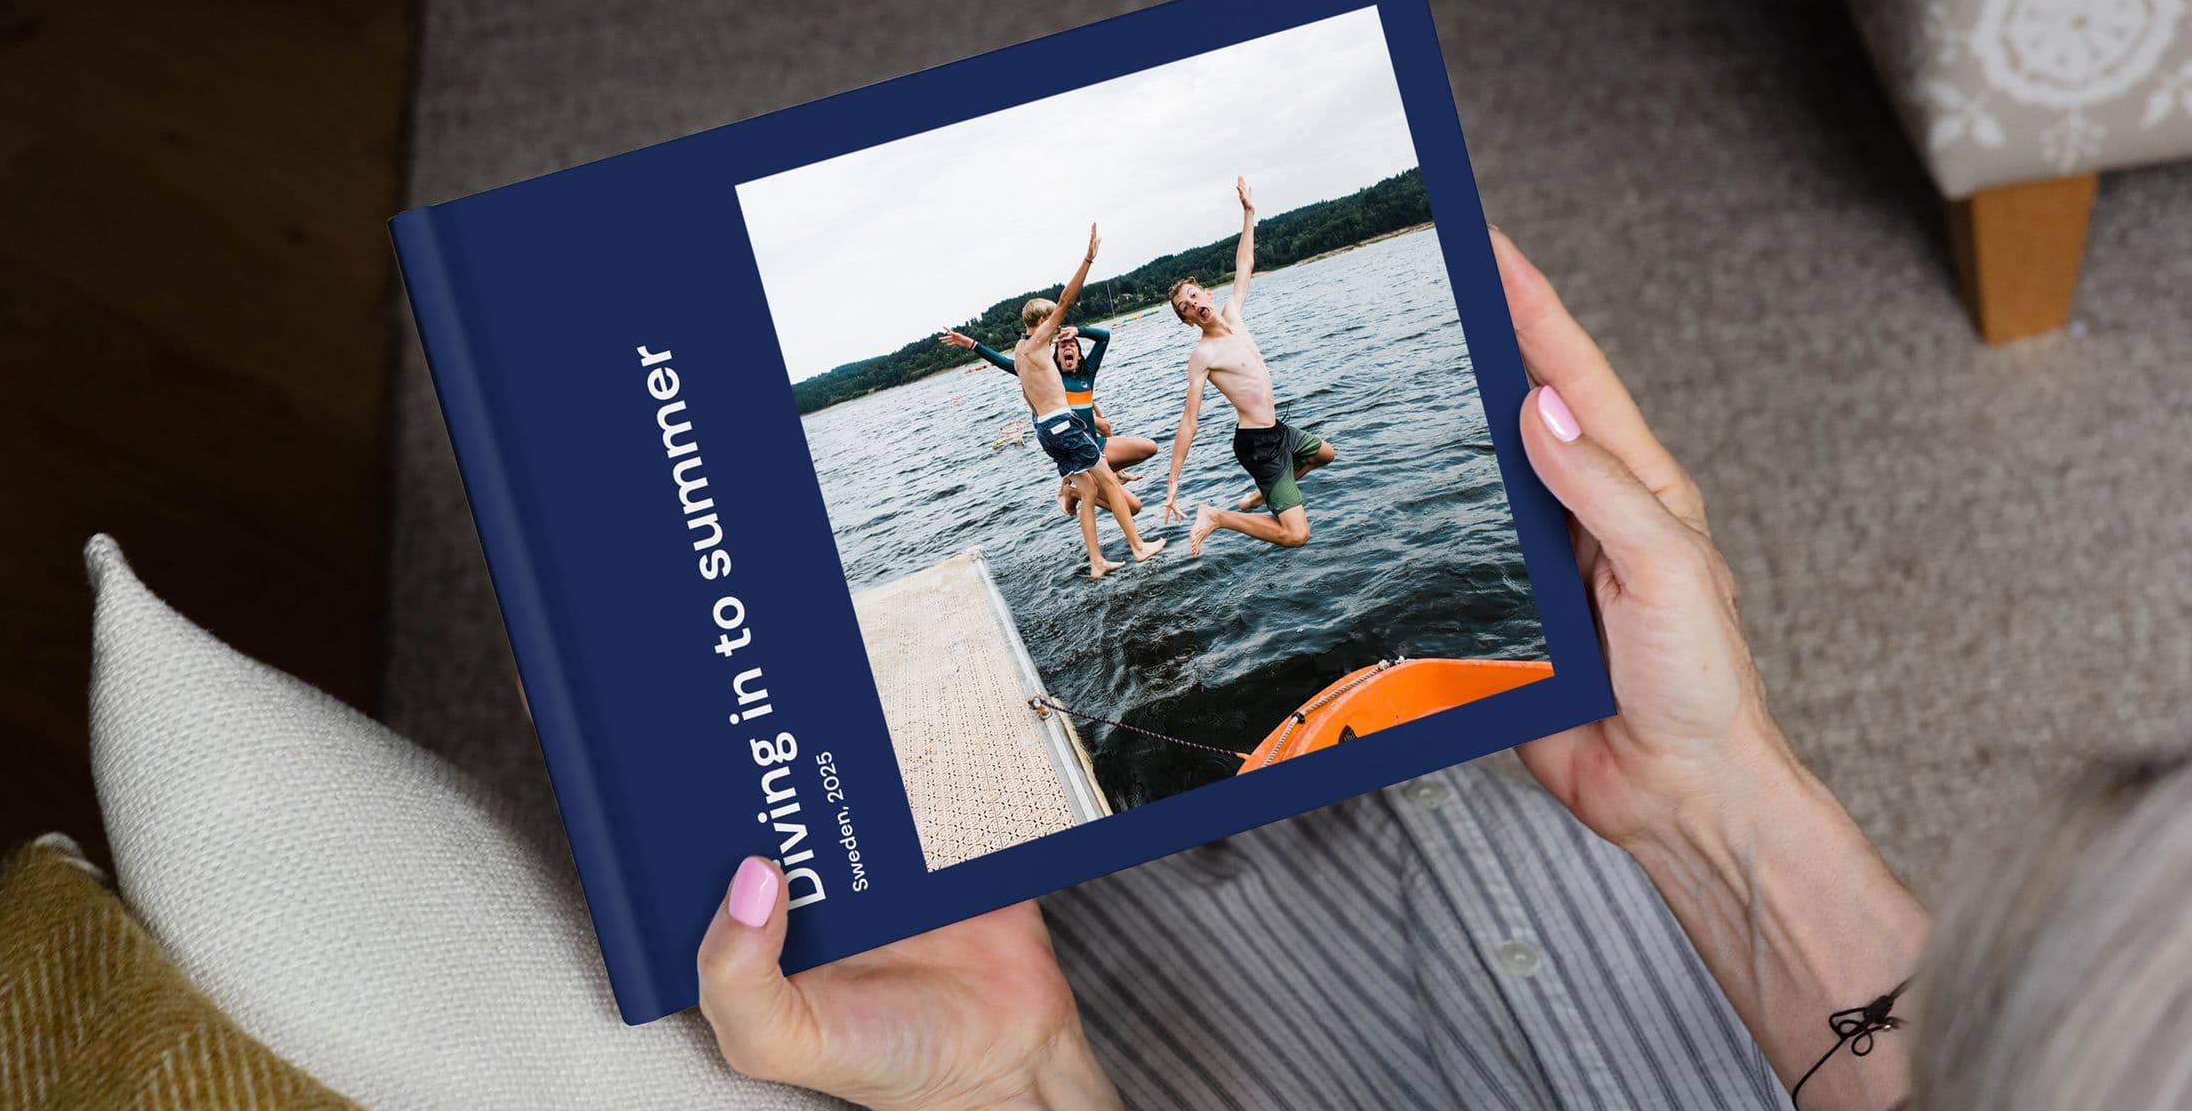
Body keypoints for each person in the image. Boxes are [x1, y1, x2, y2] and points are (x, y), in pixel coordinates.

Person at [692, 228, 2185, 1111]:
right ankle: (1132, 548)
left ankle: (1134, 552)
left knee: (1119, 512)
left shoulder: (1093, 349)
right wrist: (1718, 792)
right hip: (1713, 941)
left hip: (1120, 502)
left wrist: (1022, 1090)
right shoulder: (1094, 355)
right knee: (1119, 509)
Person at [1160, 177, 1336, 557]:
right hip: (1258, 446)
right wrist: (1173, 480)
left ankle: (1263, 493)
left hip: (1277, 430)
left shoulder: (1233, 314)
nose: (1192, 305)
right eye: (1185, 309)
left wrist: (1249, 212)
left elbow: (1245, 263)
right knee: (1296, 534)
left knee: (1325, 454)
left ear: (1206, 292)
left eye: (1193, 296)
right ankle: (1217, 516)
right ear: (1188, 321)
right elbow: (1188, 420)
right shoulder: (1203, 356)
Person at [1011, 224, 1162, 580]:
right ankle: (1139, 547)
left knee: (1090, 491)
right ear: (1042, 320)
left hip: (1046, 431)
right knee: (1109, 482)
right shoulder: (1037, 342)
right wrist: (1088, 258)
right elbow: (1066, 300)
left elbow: (1026, 396)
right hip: (1064, 426)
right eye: (1052, 321)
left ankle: (1096, 562)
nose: (1057, 327)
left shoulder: (1019, 352)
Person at [940, 322, 1159, 516]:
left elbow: (1104, 337)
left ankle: (1101, 477)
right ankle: (1073, 491)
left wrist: (1078, 330)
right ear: (1055, 358)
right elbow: (1004, 363)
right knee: (1134, 507)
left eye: (1072, 345)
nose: (1068, 347)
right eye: (1062, 346)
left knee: (1150, 447)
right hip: (1080, 458)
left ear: (1080, 356)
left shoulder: (1086, 375)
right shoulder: (1048, 380)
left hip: (1098, 446)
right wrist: (969, 343)